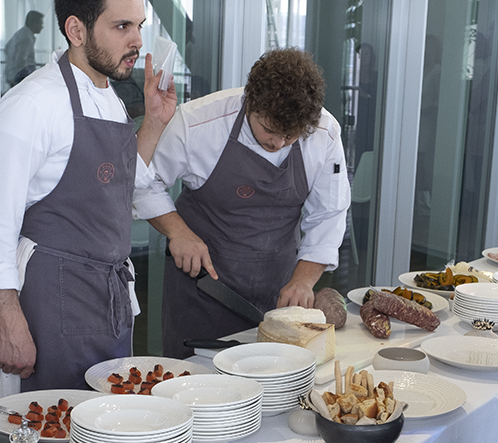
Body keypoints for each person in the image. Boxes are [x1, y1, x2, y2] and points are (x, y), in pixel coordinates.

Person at [0, 0, 176, 394]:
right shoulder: (32, 104)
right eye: (121, 26)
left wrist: (153, 123)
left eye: (139, 25)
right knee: (52, 435)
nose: (137, 41)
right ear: (76, 31)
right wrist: (11, 323)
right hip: (54, 299)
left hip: (109, 298)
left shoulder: (109, 96)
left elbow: (119, 185)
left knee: (106, 427)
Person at [134, 48, 350, 358]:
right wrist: (177, 232)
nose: (277, 144)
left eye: (291, 137)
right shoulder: (198, 123)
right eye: (269, 130)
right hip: (204, 291)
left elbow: (329, 214)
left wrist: (304, 280)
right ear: (250, 100)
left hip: (279, 292)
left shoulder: (324, 133)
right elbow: (142, 182)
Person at [3, 10, 44, 87]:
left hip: (12, 75)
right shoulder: (26, 38)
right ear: (34, 23)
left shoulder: (21, 33)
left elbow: (6, 48)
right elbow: (20, 60)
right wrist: (30, 76)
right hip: (19, 78)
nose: (42, 27)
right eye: (40, 23)